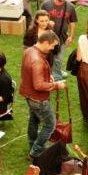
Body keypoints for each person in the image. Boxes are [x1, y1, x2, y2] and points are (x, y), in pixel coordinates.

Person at [20, 31, 67, 159]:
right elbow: (39, 85)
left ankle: (32, 144)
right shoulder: (38, 60)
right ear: (46, 42)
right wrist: (57, 85)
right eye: (52, 46)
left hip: (28, 95)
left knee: (34, 120)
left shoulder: (29, 50)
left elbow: (31, 74)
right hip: (38, 99)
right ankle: (36, 150)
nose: (53, 48)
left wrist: (48, 75)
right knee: (50, 125)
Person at [41, 0, 78, 81]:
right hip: (47, 37)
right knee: (47, 58)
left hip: (62, 38)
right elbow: (39, 19)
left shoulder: (70, 7)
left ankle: (56, 77)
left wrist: (71, 36)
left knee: (59, 59)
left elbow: (73, 21)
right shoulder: (46, 5)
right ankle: (50, 74)